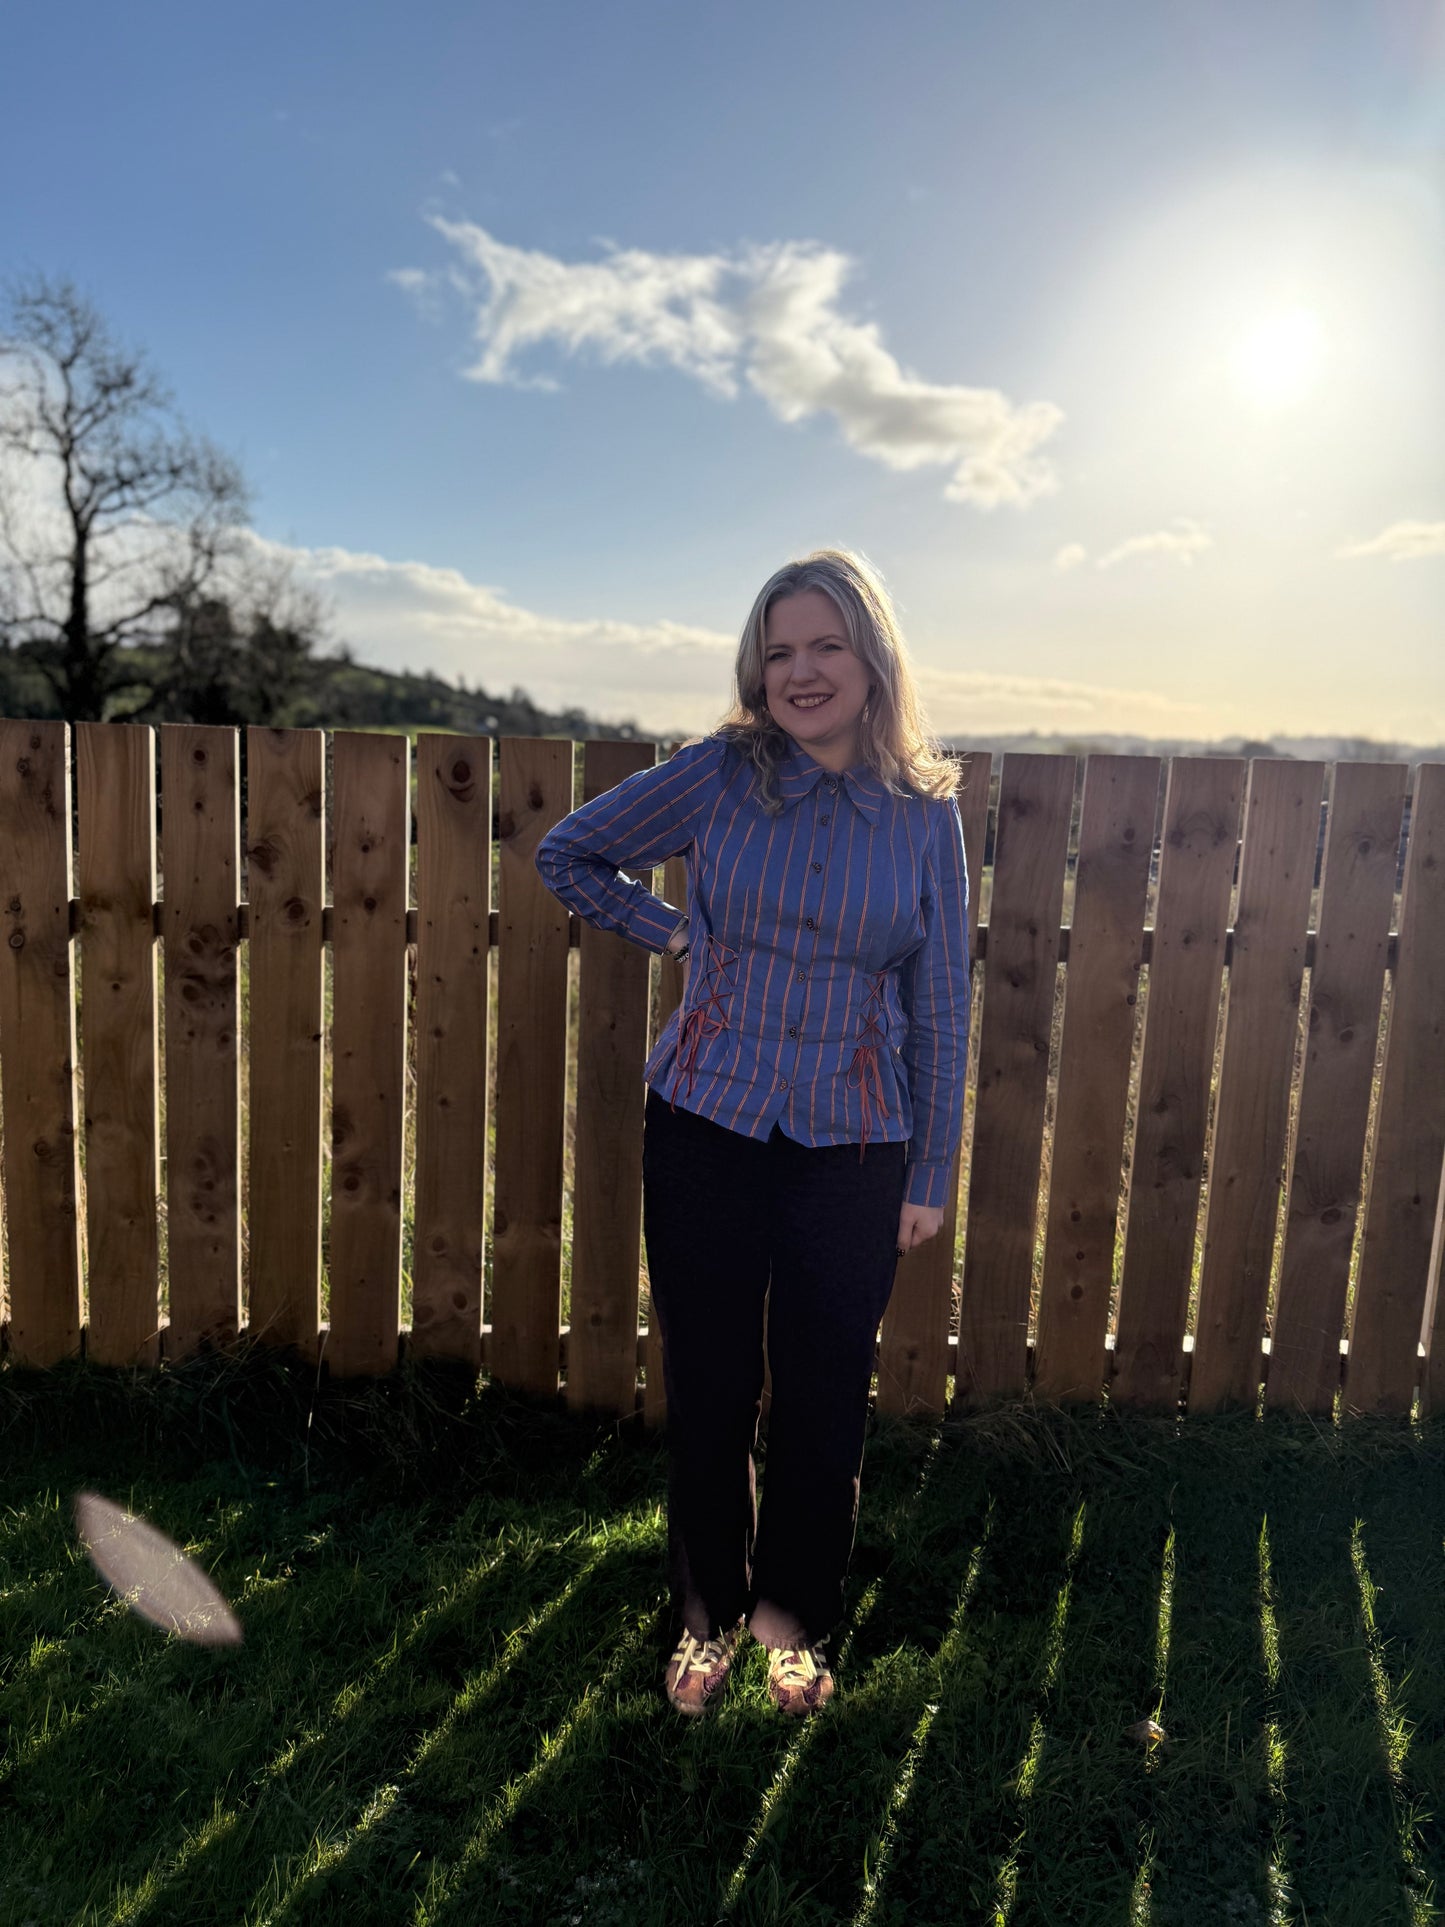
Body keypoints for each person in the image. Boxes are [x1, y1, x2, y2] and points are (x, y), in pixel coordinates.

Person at [535, 549, 970, 1717]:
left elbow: (939, 1000)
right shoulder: (717, 774)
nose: (800, 672)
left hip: (854, 1142)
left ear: (871, 660)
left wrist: (928, 1169)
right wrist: (669, 933)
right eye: (779, 652)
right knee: (710, 1386)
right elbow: (568, 851)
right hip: (705, 1122)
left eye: (825, 645)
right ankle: (705, 1617)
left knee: (824, 1398)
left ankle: (792, 1628)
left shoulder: (923, 814)